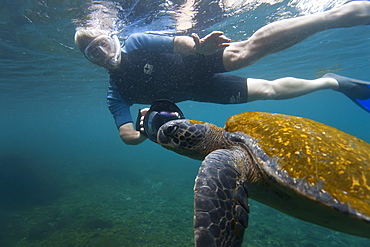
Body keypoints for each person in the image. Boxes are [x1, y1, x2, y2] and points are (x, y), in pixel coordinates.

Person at [75, 1, 370, 145]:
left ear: (110, 37)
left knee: (249, 50)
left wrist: (200, 48)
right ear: (89, 60)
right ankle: (333, 82)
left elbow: (179, 43)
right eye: (92, 53)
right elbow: (127, 136)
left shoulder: (136, 43)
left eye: (101, 44)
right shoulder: (117, 93)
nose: (102, 53)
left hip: (197, 63)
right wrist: (145, 130)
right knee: (268, 91)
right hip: (203, 91)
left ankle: (334, 16)